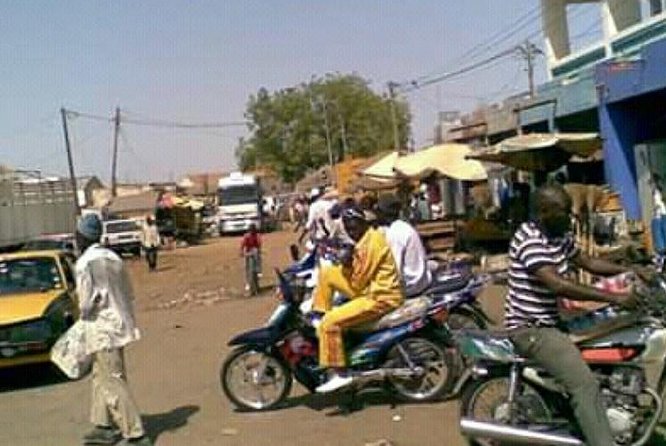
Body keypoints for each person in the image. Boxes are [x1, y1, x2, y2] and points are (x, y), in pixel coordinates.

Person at [505, 184, 639, 446]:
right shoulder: (530, 239)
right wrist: (616, 297)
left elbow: (588, 262)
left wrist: (628, 269)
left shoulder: (558, 234)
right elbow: (559, 285)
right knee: (585, 386)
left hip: (554, 320)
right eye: (564, 212)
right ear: (544, 213)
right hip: (532, 329)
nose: (570, 217)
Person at [74, 214, 151, 446]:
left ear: (83, 237)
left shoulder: (85, 263)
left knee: (113, 381)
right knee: (101, 376)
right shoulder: (114, 258)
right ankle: (103, 424)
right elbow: (128, 293)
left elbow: (86, 305)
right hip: (120, 325)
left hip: (102, 329)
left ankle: (136, 433)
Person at [311, 203, 404, 393]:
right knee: (326, 273)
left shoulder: (372, 243)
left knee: (330, 323)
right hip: (369, 290)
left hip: (380, 297)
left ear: (362, 223)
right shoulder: (364, 240)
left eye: (353, 227)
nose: (350, 232)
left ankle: (340, 372)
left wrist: (345, 263)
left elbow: (358, 281)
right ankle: (319, 311)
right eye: (347, 228)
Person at [376, 193, 431, 297]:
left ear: (383, 213)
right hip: (420, 280)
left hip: (411, 286)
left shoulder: (395, 233)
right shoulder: (402, 227)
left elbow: (395, 269)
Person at [240, 224, 262, 292]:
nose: (252, 232)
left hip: (255, 252)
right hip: (248, 252)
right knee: (247, 268)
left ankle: (258, 270)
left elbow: (259, 245)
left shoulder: (257, 236)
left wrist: (258, 251)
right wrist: (241, 252)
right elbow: (242, 245)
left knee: (256, 254)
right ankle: (248, 283)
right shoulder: (246, 236)